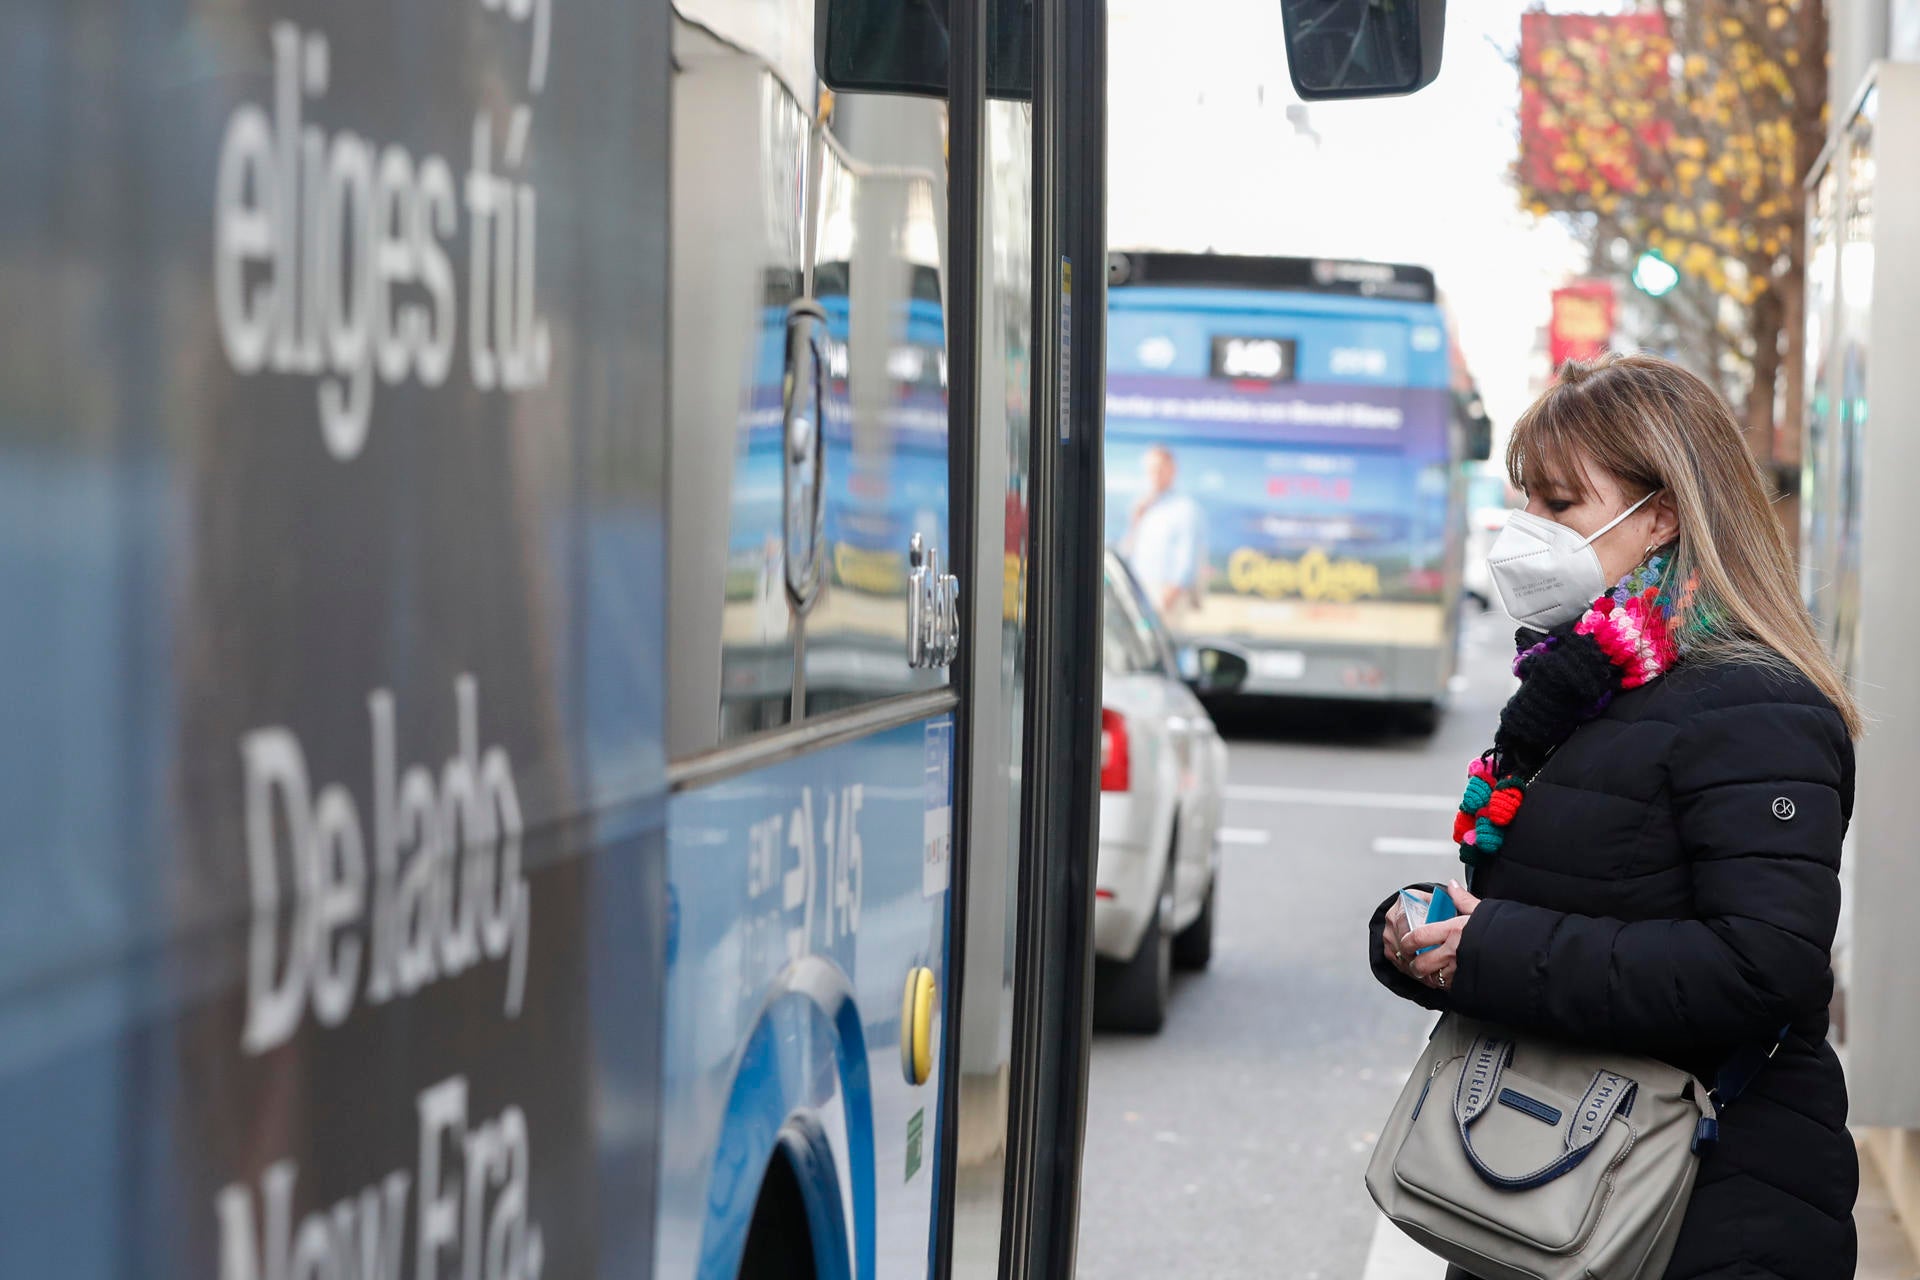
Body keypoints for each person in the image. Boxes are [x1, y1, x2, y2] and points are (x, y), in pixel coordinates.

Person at [1368, 353, 1863, 1279]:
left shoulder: (1757, 706)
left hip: (1705, 1213)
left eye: (1560, 505)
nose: (1526, 534)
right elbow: (1562, 899)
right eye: (1526, 503)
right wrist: (1423, 938)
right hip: (1554, 1186)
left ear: (1663, 515)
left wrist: (1497, 945)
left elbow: (1764, 968)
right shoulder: (1585, 682)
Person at [1120, 444, 1207, 621]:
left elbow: (1186, 564)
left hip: (1164, 597)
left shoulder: (1184, 509)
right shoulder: (1143, 507)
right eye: (1150, 470)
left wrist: (1165, 602)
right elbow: (1126, 551)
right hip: (1138, 592)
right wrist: (1135, 522)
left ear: (1172, 470)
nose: (1154, 475)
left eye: (1159, 469)